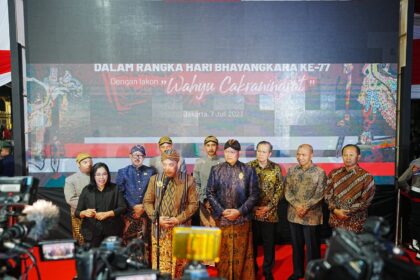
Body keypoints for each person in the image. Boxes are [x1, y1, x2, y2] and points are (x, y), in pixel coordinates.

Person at [206, 139, 259, 280]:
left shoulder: (248, 170)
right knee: (223, 254)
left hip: (242, 220)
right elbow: (210, 192)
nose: (229, 154)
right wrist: (222, 211)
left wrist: (239, 211)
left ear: (238, 153)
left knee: (243, 255)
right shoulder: (216, 170)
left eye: (233, 152)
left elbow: (254, 195)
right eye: (227, 151)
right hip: (223, 219)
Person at [143, 149, 198, 278]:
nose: (167, 168)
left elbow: (194, 204)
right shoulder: (154, 180)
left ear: (177, 164)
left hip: (181, 230)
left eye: (171, 165)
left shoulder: (188, 180)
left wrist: (178, 219)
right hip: (160, 230)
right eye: (165, 164)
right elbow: (147, 202)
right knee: (162, 269)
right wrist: (156, 219)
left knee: (180, 267)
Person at [284, 144, 326, 280]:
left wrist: (306, 207)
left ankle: (313, 275)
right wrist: (297, 206)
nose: (300, 157)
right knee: (296, 246)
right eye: (298, 154)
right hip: (294, 215)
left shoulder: (320, 172)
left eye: (303, 155)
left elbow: (320, 194)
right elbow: (287, 191)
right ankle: (297, 272)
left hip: (312, 216)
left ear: (311, 155)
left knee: (312, 248)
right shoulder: (291, 171)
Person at [247, 141, 283, 280]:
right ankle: (253, 269)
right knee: (253, 244)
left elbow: (279, 190)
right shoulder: (248, 167)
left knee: (269, 244)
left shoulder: (276, 168)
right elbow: (243, 189)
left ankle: (268, 270)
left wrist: (269, 207)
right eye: (259, 151)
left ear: (270, 153)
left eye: (264, 151)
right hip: (252, 213)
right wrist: (254, 207)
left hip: (270, 213)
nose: (260, 154)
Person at [325, 144, 375, 233]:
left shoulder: (366, 176)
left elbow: (366, 201)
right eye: (345, 155)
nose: (348, 158)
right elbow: (327, 195)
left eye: (351, 155)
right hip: (336, 221)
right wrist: (336, 210)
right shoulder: (334, 174)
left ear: (358, 157)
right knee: (336, 247)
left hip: (356, 223)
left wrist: (346, 212)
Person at [75, 162, 126, 247]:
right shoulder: (87, 190)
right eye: (98, 174)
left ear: (108, 175)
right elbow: (77, 212)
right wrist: (84, 213)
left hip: (112, 231)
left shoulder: (115, 188)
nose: (101, 177)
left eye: (104, 174)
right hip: (91, 232)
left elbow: (123, 207)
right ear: (93, 176)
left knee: (111, 258)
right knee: (93, 258)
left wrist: (107, 213)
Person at [116, 145, 155, 253]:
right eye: (135, 155)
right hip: (129, 214)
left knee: (145, 244)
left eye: (140, 155)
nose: (137, 158)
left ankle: (145, 267)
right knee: (129, 244)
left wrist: (143, 206)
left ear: (144, 157)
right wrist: (133, 207)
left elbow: (154, 192)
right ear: (130, 156)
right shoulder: (123, 172)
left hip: (146, 213)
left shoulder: (151, 172)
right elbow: (119, 194)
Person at [193, 135, 224, 227]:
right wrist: (204, 200)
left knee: (219, 233)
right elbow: (196, 184)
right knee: (205, 233)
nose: (211, 148)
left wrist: (215, 201)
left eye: (213, 145)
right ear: (204, 147)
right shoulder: (199, 163)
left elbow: (225, 184)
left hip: (220, 203)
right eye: (208, 145)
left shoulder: (223, 162)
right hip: (203, 203)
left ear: (217, 147)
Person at [64, 152, 92, 244]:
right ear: (78, 164)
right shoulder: (71, 179)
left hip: (97, 213)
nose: (89, 164)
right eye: (85, 162)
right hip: (79, 214)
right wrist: (88, 206)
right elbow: (70, 199)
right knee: (81, 240)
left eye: (90, 161)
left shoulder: (98, 177)